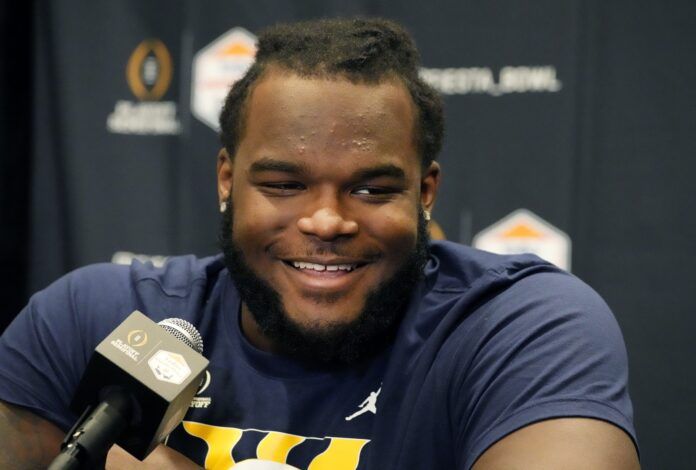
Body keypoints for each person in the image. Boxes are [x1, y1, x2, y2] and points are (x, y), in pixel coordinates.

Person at [0, 17, 639, 469]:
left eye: (370, 189)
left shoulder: (517, 327)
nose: (327, 221)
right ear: (227, 179)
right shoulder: (99, 317)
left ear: (426, 193)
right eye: (284, 183)